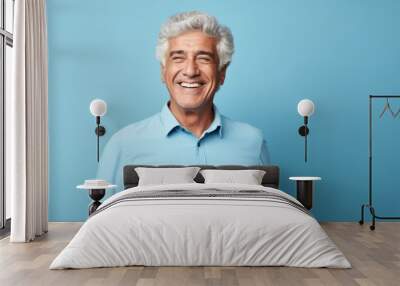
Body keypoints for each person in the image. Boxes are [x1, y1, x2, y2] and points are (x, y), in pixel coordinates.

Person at [97, 11, 270, 190]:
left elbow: (269, 214)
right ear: (163, 71)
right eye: (178, 58)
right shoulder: (123, 145)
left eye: (204, 58)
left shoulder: (253, 142)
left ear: (222, 73)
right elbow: (102, 216)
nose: (190, 70)